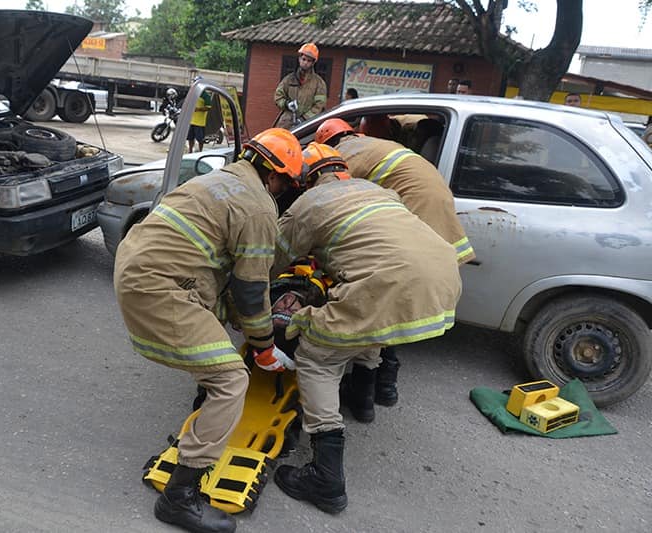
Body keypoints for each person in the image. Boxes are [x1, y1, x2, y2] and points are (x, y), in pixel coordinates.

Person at [114, 128, 303, 533]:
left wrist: (238, 322)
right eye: (287, 184)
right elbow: (252, 291)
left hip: (140, 268)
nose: (285, 191)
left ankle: (207, 396)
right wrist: (265, 347)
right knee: (232, 379)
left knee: (215, 334)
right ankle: (179, 498)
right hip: (159, 288)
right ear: (276, 177)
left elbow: (222, 277)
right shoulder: (258, 208)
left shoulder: (215, 179)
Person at [272, 142, 462, 514]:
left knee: (318, 357)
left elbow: (271, 259)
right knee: (369, 324)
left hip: (391, 284)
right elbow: (366, 249)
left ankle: (325, 478)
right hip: (442, 281)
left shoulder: (308, 204)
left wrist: (256, 297)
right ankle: (362, 401)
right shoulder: (377, 190)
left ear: (305, 180)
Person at [315, 118, 475, 420]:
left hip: (415, 211)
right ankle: (379, 389)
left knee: (389, 299)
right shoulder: (374, 145)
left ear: (328, 144)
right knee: (398, 300)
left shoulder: (347, 154)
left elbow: (327, 194)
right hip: (437, 209)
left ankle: (377, 387)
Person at [274, 43, 327, 129]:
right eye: (304, 59)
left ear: (313, 63)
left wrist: (303, 119)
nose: (305, 63)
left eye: (309, 61)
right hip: (286, 124)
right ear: (299, 59)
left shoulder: (319, 83)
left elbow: (319, 106)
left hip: (307, 126)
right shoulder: (289, 79)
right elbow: (278, 97)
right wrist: (287, 104)